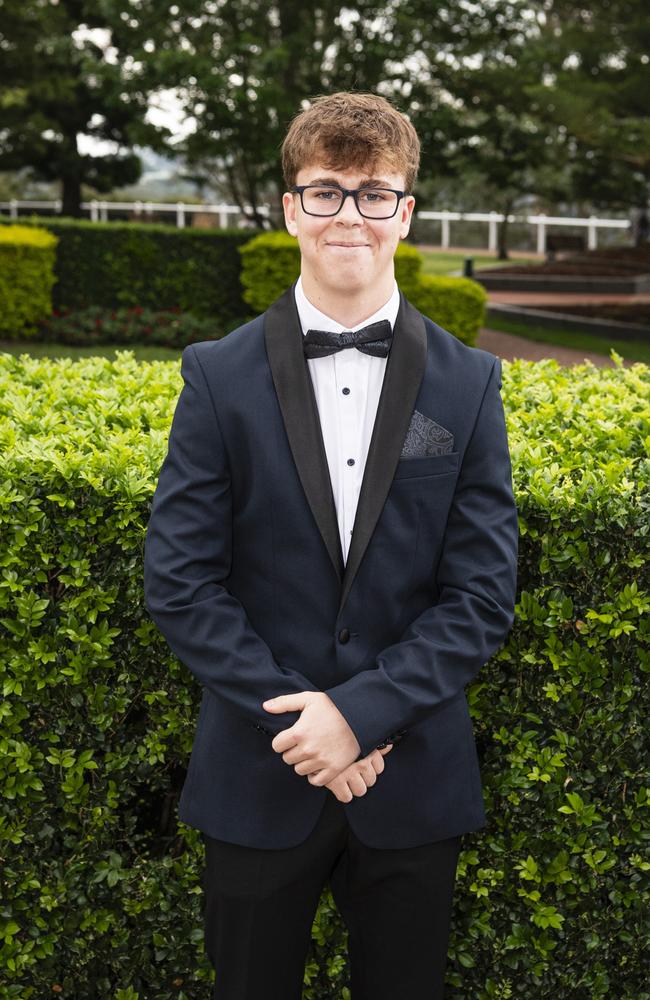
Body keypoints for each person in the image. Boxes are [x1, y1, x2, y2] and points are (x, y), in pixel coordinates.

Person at [143, 91, 519, 1000]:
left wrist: (363, 715)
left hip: (413, 781)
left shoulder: (470, 386)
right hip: (258, 776)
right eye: (325, 191)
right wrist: (310, 725)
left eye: (373, 192)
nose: (349, 213)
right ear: (289, 209)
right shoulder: (217, 373)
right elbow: (182, 581)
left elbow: (481, 594)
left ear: (406, 213)